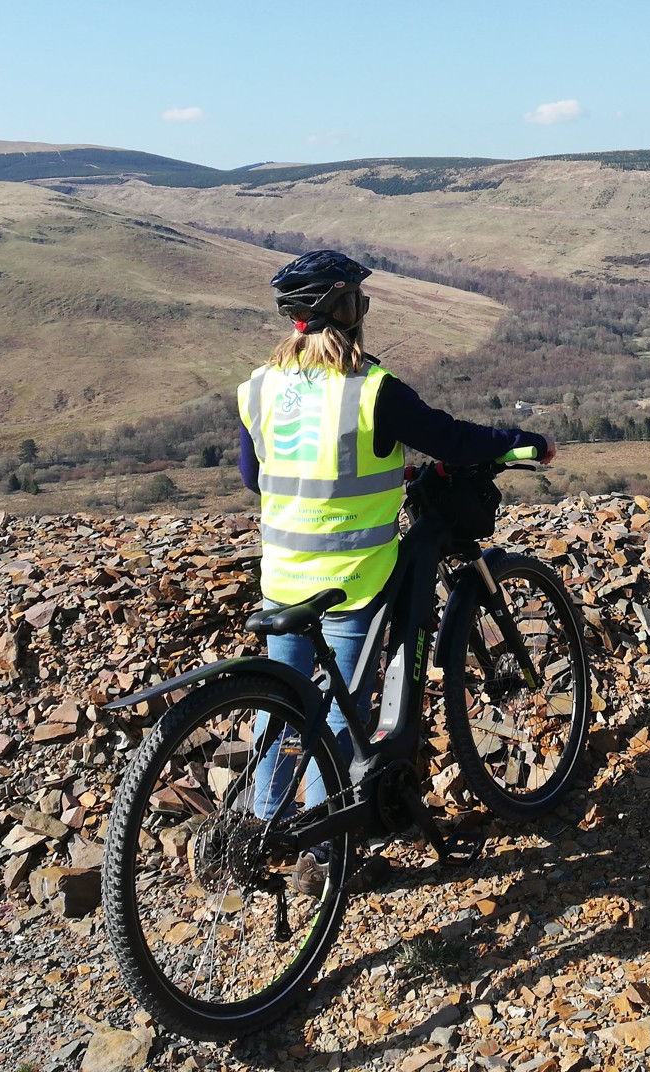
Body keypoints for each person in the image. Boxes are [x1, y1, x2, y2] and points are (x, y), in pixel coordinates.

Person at [236, 249, 553, 894]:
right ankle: (327, 852)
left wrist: (364, 478)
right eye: (358, 300)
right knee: (341, 711)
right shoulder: (370, 388)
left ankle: (260, 829)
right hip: (353, 576)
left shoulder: (259, 386)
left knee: (285, 701)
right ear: (346, 312)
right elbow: (451, 438)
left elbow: (255, 477)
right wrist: (518, 441)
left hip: (282, 575)